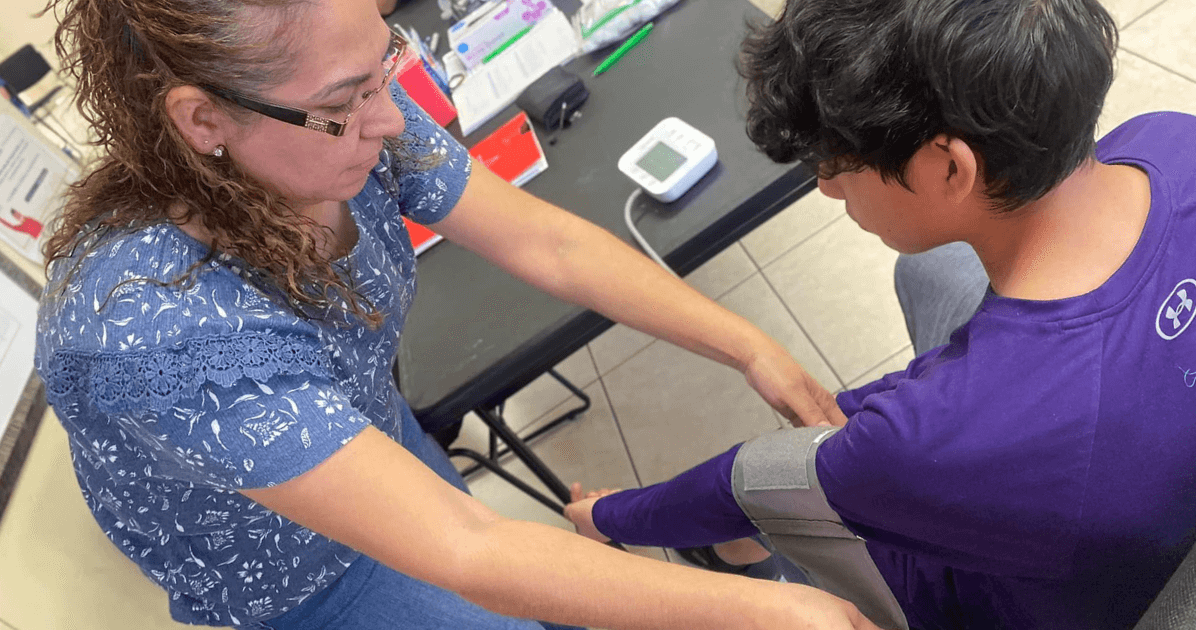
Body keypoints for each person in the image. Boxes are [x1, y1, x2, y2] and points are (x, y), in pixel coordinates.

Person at [33, 0, 876, 628]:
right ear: (202, 118)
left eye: (381, 70)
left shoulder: (344, 129)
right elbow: (467, 547)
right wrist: (771, 613)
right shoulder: (147, 333)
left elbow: (552, 246)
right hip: (296, 573)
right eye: (348, 101)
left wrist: (748, 346)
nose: (390, 119)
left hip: (369, 428)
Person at [564, 0, 1196, 628]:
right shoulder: (1173, 137)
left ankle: (737, 556)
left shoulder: (930, 437)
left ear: (948, 165)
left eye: (838, 161)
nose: (826, 185)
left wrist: (610, 516)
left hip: (1014, 600)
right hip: (1138, 505)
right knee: (925, 273)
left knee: (771, 514)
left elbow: (742, 482)